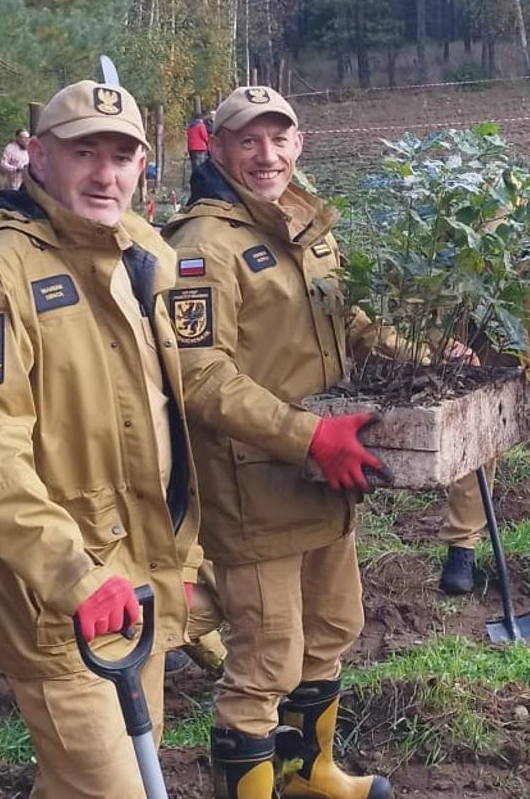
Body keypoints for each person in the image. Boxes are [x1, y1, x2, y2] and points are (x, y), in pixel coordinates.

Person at [0, 80, 206, 799]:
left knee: (111, 777)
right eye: (85, 152)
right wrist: (74, 575)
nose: (104, 173)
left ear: (144, 165)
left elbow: (166, 413)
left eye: (122, 155)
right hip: (60, 599)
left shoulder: (138, 252)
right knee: (110, 788)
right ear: (39, 157)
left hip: (139, 574)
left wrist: (184, 554)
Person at [162, 86, 400, 799]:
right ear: (220, 147)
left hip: (328, 471)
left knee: (331, 626)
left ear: (300, 144)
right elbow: (199, 377)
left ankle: (310, 775)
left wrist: (413, 347)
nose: (266, 156)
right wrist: (305, 437)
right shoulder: (202, 245)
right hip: (256, 479)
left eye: (280, 139)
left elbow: (346, 319)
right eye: (248, 141)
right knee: (267, 658)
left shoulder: (307, 222)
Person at [437, 210, 530, 601]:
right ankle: (462, 548)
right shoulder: (470, 218)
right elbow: (451, 302)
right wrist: (454, 349)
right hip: (491, 357)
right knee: (474, 450)